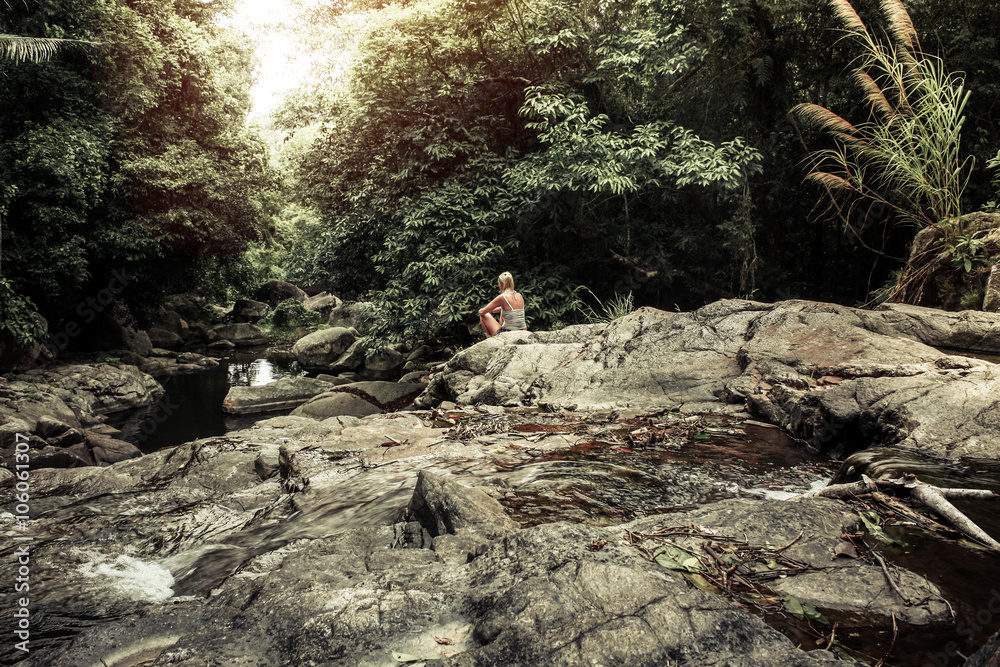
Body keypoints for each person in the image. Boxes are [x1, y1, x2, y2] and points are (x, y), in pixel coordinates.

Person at [479, 271, 526, 337]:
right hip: (523, 330)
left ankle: (489, 339)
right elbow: (511, 310)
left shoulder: (502, 297)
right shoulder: (519, 295)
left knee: (483, 315)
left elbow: (482, 312)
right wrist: (493, 310)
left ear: (501, 284)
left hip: (508, 333)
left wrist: (490, 310)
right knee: (502, 313)